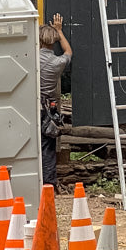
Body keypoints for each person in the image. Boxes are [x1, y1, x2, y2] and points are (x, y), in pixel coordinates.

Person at [38, 13, 72, 189]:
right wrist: (59, 31)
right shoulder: (57, 62)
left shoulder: (32, 59)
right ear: (53, 41)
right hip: (48, 110)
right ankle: (49, 184)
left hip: (31, 107)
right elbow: (68, 52)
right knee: (47, 147)